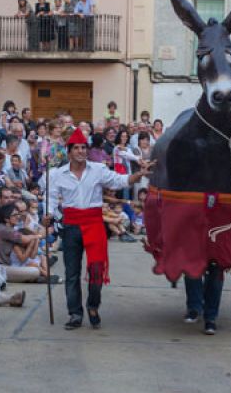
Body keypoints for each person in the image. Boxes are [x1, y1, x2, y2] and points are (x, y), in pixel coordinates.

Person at [42, 128, 152, 330]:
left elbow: (119, 180)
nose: (81, 151)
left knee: (96, 269)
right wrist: (47, 215)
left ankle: (93, 306)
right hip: (71, 224)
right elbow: (49, 197)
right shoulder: (57, 174)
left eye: (84, 147)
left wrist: (138, 175)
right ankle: (75, 313)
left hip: (94, 224)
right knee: (72, 272)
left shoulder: (97, 169)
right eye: (77, 148)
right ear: (69, 152)